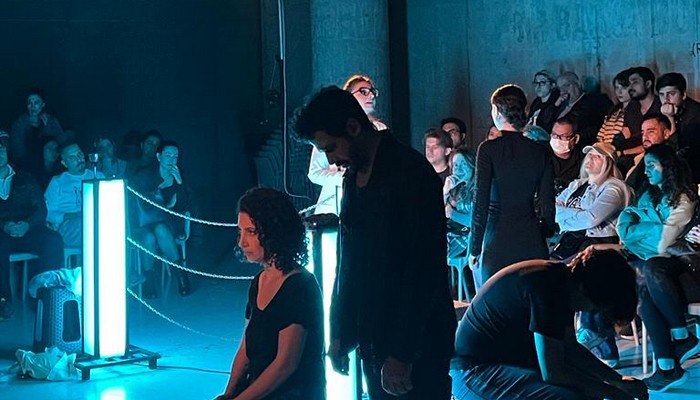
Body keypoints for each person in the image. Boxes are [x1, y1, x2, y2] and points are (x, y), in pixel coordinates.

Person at [291, 86, 456, 399]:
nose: (331, 159)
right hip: (376, 333)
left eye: (331, 147)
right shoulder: (353, 176)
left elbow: (423, 268)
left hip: (416, 341)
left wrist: (402, 352)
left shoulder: (410, 172)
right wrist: (340, 332)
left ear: (353, 127)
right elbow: (349, 260)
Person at [450, 250, 648, 400]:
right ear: (584, 289)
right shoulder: (548, 290)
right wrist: (611, 391)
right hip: (474, 373)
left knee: (589, 391)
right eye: (594, 307)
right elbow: (554, 373)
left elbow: (569, 347)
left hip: (501, 365)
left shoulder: (560, 280)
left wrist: (616, 380)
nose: (589, 312)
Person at [215, 188, 325, 400]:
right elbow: (246, 347)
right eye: (240, 232)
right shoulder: (258, 282)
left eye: (251, 232)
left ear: (273, 232)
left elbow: (286, 365)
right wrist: (228, 394)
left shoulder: (299, 286)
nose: (242, 242)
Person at [615, 143, 698, 392]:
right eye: (646, 166)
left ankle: (680, 340)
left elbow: (662, 242)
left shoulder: (683, 199)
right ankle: (668, 365)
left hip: (688, 271)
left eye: (652, 165)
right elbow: (624, 227)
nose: (647, 171)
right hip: (662, 272)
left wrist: (640, 228)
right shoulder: (647, 196)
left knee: (650, 269)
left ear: (668, 168)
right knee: (643, 285)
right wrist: (650, 228)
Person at [469, 84, 555, 290]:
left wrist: (474, 247)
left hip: (497, 239)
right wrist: (546, 232)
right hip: (531, 238)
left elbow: (480, 202)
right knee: (534, 303)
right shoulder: (540, 151)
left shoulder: (488, 149)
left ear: (498, 111)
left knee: (497, 301)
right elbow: (547, 201)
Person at [554, 142, 633, 366]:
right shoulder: (577, 184)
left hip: (602, 244)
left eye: (598, 156)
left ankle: (599, 341)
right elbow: (554, 211)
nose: (590, 159)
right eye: (589, 155)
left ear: (608, 162)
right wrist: (575, 215)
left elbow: (592, 219)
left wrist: (568, 216)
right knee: (548, 274)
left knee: (592, 273)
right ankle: (568, 339)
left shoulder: (614, 187)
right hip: (570, 242)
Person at [0, 133, 64, 320]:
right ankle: (3, 301)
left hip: (27, 228)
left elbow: (40, 209)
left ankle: (44, 296)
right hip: (2, 232)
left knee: (53, 240)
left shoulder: (24, 177)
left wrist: (27, 224)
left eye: (1, 149)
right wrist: (4, 226)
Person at [307, 74, 387, 215]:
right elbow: (314, 173)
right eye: (363, 91)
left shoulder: (381, 129)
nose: (371, 96)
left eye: (372, 92)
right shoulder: (329, 129)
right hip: (333, 206)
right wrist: (343, 176)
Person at [130, 140, 191, 297]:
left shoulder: (178, 175)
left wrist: (179, 182)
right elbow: (138, 197)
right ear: (159, 156)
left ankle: (181, 275)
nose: (171, 159)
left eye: (175, 156)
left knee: (161, 229)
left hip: (167, 222)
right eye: (168, 155)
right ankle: (149, 280)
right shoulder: (145, 174)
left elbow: (183, 205)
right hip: (143, 222)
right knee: (148, 237)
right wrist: (164, 203)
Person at [44, 143, 103, 248]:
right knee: (86, 225)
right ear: (64, 163)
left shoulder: (97, 176)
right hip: (70, 225)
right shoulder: (57, 182)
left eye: (80, 154)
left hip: (97, 218)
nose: (79, 159)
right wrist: (74, 215)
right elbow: (48, 212)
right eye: (72, 157)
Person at [10, 88, 66, 170]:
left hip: (50, 163)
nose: (33, 106)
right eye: (30, 103)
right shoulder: (20, 123)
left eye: (36, 103)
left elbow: (62, 140)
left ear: (43, 104)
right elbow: (17, 148)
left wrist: (46, 127)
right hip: (26, 163)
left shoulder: (51, 120)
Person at [549, 117, 584, 195]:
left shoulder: (583, 160)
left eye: (563, 136)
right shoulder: (541, 154)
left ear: (576, 138)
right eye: (555, 135)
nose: (557, 139)